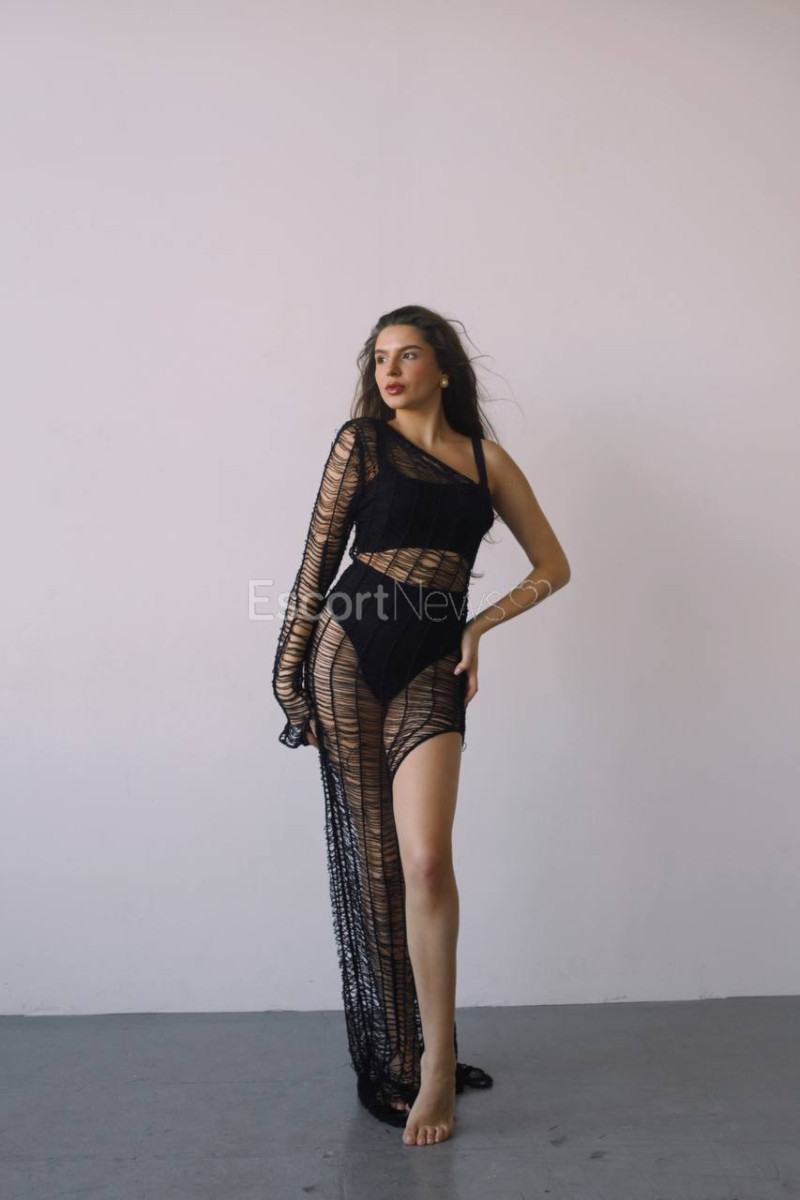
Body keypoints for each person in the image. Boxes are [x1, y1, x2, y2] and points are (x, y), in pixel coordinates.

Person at [272, 304, 571, 1147]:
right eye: (379, 359)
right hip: (347, 652)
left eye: (407, 356)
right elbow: (315, 564)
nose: (390, 372)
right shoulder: (361, 444)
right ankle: (402, 1056)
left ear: (443, 367)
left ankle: (439, 1062)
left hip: (433, 663)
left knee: (428, 862)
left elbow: (554, 565)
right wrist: (287, 676)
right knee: (379, 868)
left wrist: (480, 627)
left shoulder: (485, 462)